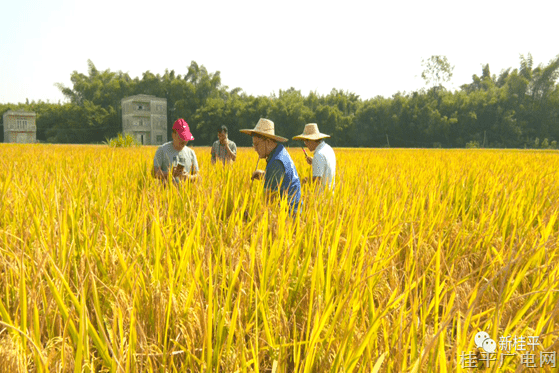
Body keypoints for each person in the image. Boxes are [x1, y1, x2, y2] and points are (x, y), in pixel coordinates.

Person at [240, 118, 302, 215]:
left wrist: (252, 213)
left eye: (257, 144)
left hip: (288, 215)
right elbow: (282, 179)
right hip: (293, 210)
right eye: (253, 144)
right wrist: (265, 175)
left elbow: (269, 202)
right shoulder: (280, 152)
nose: (255, 148)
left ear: (268, 142)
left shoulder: (276, 162)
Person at [152, 118, 199, 184]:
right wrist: (170, 174)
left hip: (186, 192)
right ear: (173, 135)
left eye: (186, 138)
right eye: (181, 137)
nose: (184, 141)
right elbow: (154, 173)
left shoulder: (191, 153)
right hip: (166, 192)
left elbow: (198, 177)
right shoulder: (162, 150)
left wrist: (187, 177)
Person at [293, 123, 336, 191]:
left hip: (321, 198)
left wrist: (305, 181)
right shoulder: (328, 148)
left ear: (311, 140)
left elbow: (317, 182)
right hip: (330, 195)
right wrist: (314, 162)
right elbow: (325, 166)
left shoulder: (319, 155)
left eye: (305, 141)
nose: (306, 145)